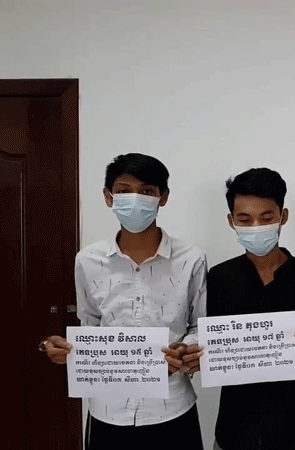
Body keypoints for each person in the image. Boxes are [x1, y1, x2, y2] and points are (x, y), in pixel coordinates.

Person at [40, 153, 206, 450]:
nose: (135, 199)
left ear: (163, 197)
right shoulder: (88, 260)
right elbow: (90, 323)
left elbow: (199, 325)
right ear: (108, 197)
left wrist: (186, 349)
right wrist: (67, 348)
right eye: (124, 190)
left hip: (172, 407)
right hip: (107, 410)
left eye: (147, 191)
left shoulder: (191, 259)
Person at [205, 168, 295, 450]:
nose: (256, 227)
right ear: (231, 221)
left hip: (294, 431)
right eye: (245, 219)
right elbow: (210, 346)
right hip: (233, 432)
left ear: (283, 216)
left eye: (266, 218)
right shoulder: (219, 278)